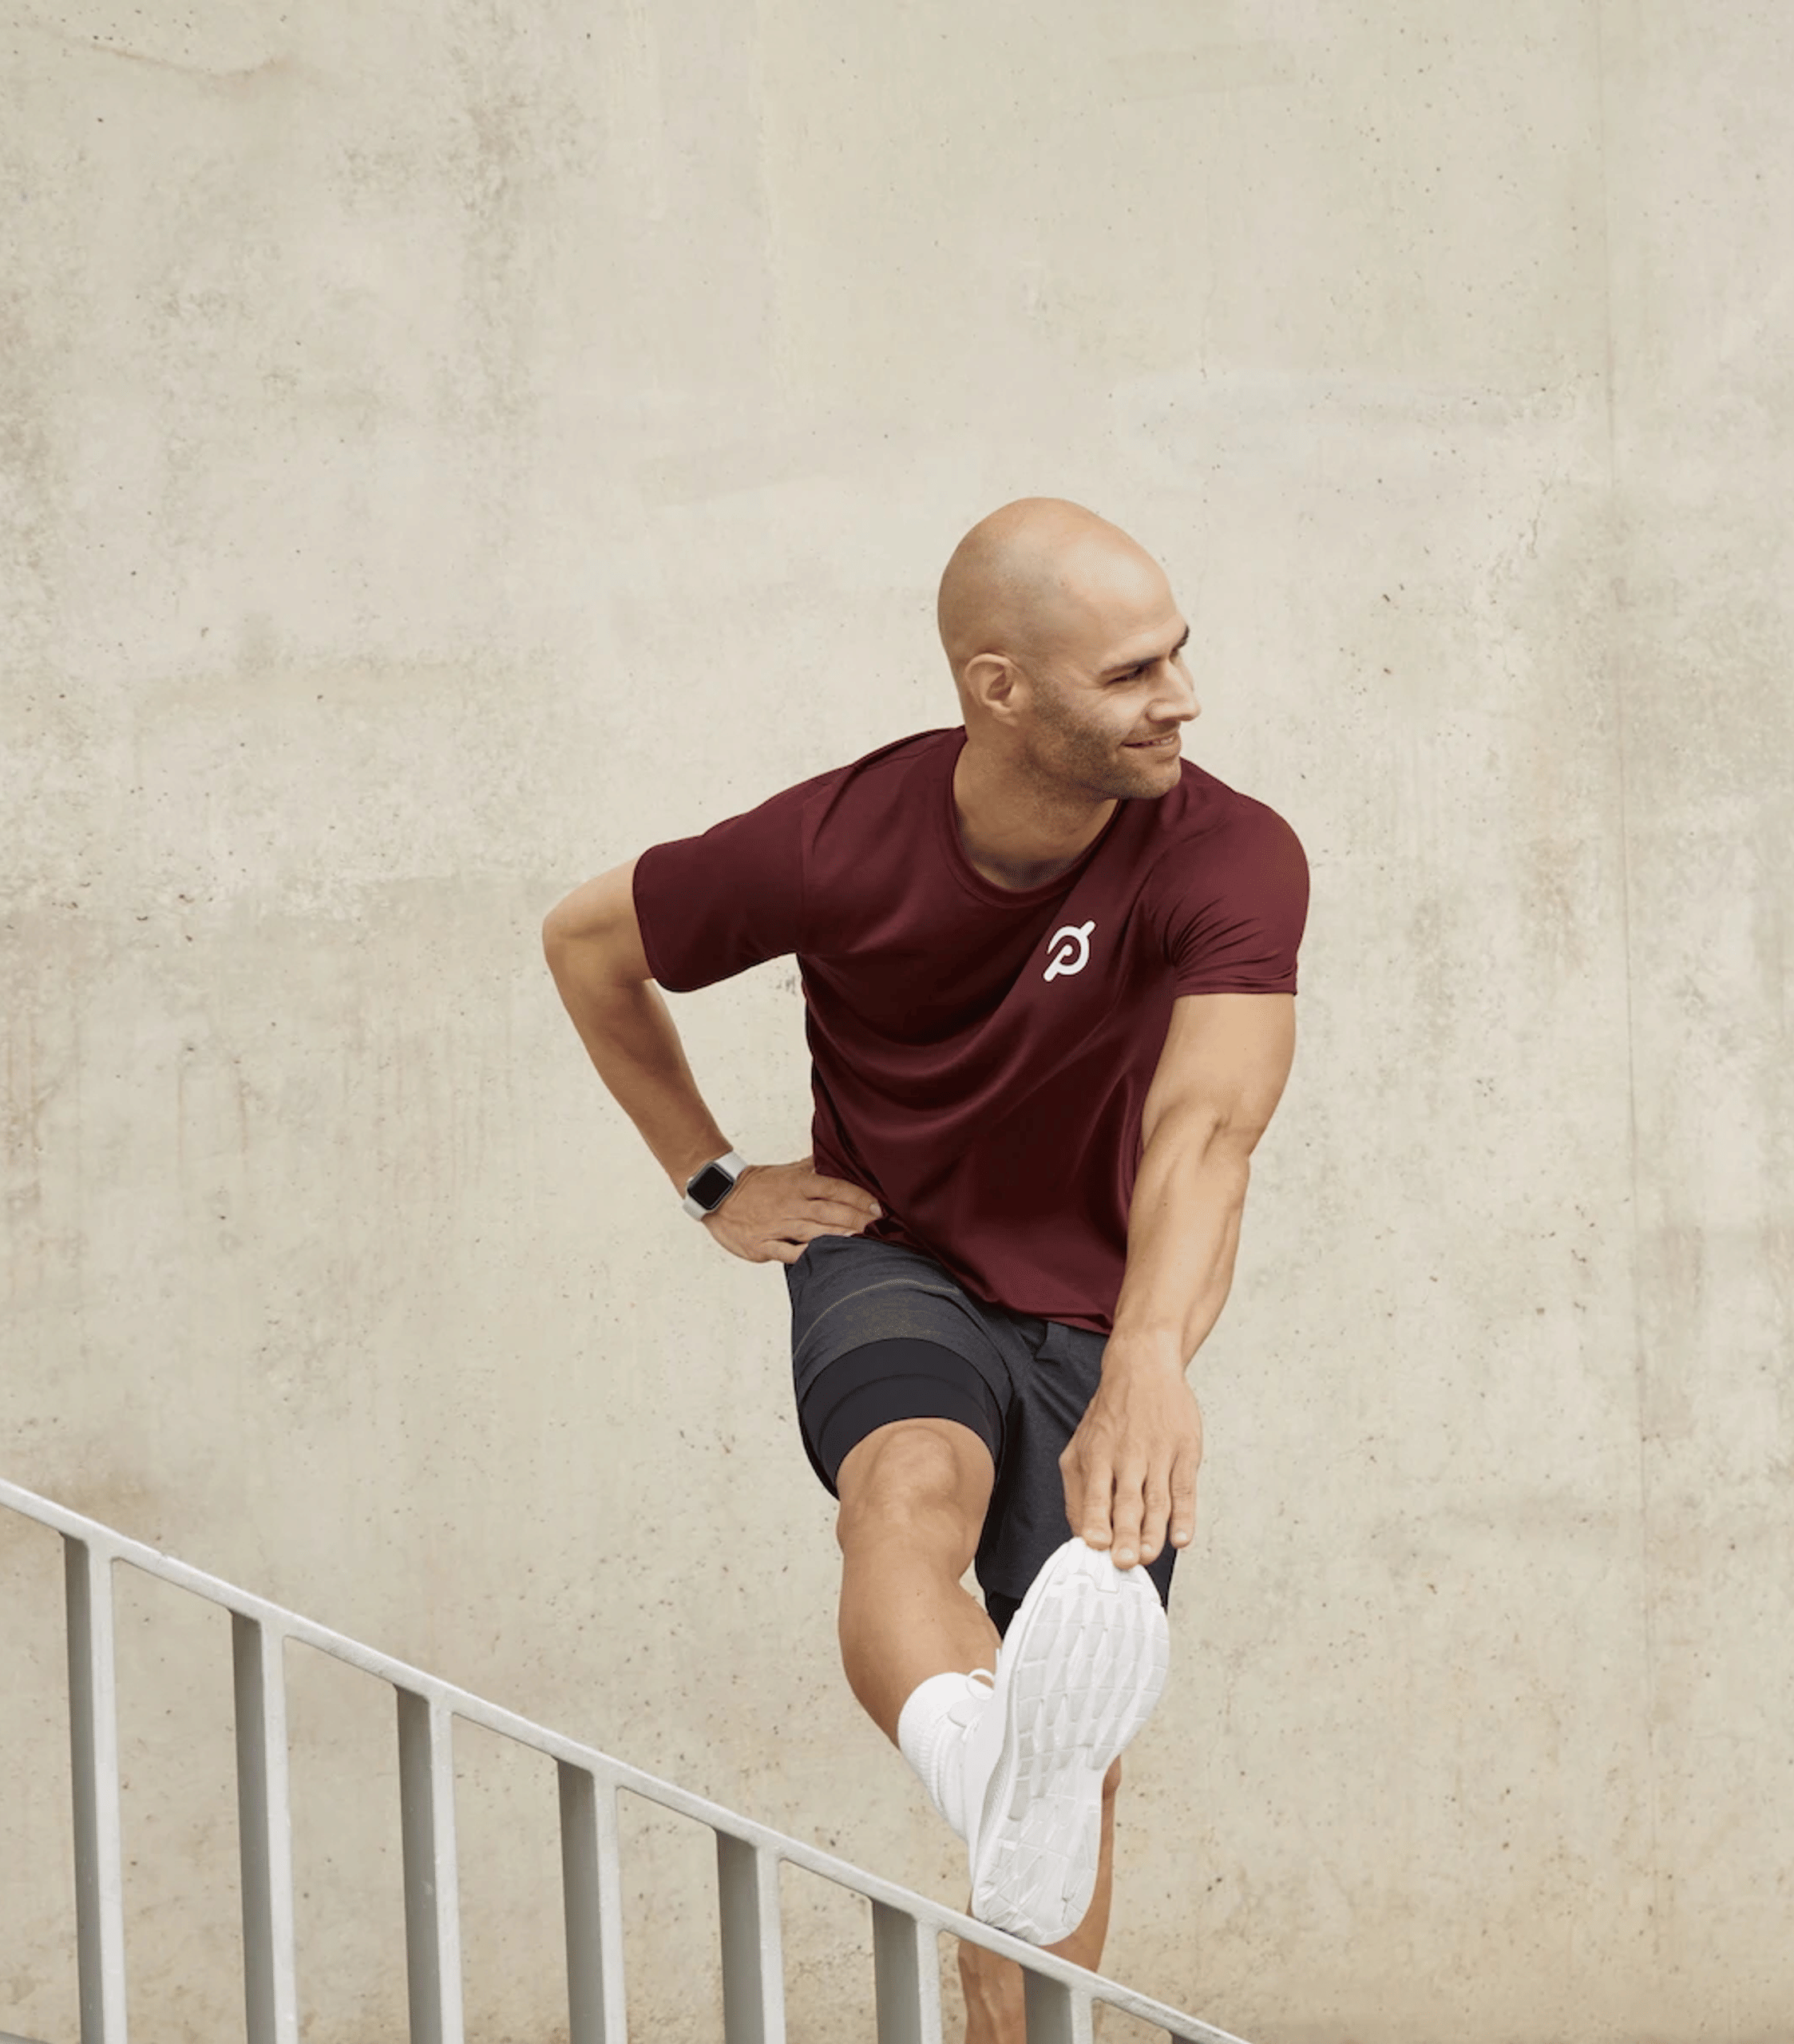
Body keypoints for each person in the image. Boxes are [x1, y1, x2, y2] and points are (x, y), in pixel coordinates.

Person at [540, 497, 1305, 2039]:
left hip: (1108, 1309)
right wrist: (712, 1176)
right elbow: (586, 943)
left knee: (1073, 1754)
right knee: (905, 1492)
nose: (1182, 699)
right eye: (1131, 673)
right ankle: (974, 1751)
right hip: (895, 1258)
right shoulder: (835, 845)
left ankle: (1008, 1916)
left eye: (1181, 655)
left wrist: (1150, 1356)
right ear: (999, 685)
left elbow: (1207, 1129)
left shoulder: (1227, 852)